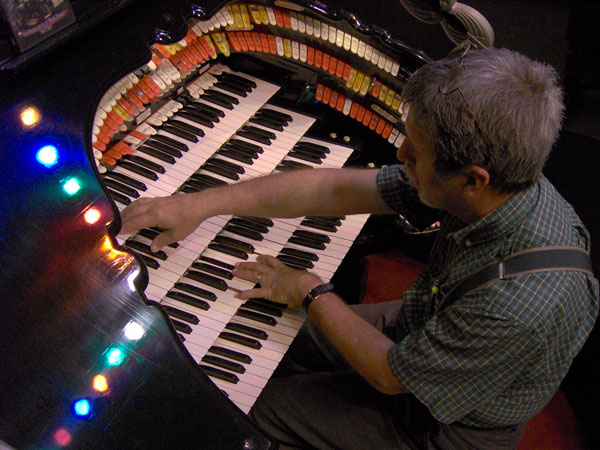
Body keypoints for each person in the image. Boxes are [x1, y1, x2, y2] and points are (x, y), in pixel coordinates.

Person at [120, 46, 599, 449]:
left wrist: (308, 289)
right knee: (262, 329)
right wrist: (203, 204)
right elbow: (332, 191)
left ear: (474, 179)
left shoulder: (515, 307)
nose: (400, 155)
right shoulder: (493, 185)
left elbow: (394, 377)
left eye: (415, 150)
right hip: (428, 326)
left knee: (246, 410)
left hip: (444, 424)